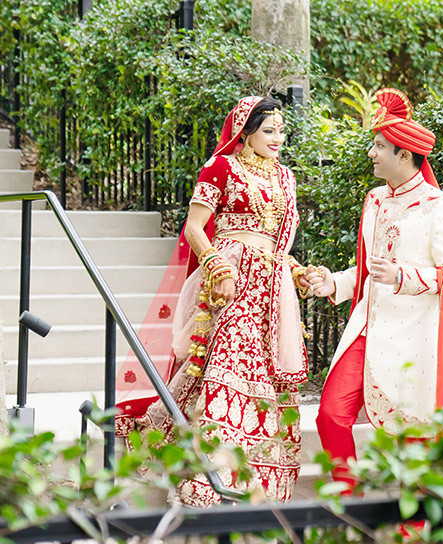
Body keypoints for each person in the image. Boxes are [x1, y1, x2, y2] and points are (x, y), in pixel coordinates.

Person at [114, 96, 313, 506]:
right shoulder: (220, 167)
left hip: (271, 290)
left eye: (280, 131)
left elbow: (276, 245)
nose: (277, 139)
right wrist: (218, 268)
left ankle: (254, 477)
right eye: (268, 131)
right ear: (246, 133)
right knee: (227, 366)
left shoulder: (286, 178)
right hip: (229, 280)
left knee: (264, 377)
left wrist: (296, 272)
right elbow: (194, 228)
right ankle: (209, 478)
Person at [307, 88, 443, 491]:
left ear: (404, 155)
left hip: (413, 338)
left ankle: (410, 530)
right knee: (330, 415)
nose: (372, 153)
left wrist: (403, 277)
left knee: (412, 435)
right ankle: (348, 498)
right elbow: (368, 269)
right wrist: (335, 283)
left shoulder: (439, 206)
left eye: (379, 146)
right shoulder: (375, 200)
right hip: (366, 327)